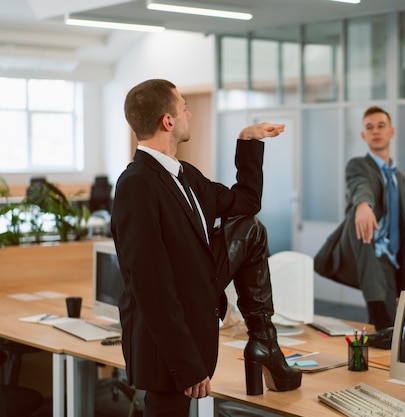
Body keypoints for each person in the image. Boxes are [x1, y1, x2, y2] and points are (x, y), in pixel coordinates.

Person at [110, 79, 301, 417]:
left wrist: (248, 140)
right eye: (184, 108)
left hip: (194, 319)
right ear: (168, 121)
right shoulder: (137, 185)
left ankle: (264, 341)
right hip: (166, 352)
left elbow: (246, 202)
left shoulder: (186, 176)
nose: (190, 114)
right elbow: (151, 287)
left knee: (251, 229)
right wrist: (186, 364)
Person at [314, 106, 405, 330]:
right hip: (362, 246)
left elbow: (399, 230)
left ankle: (378, 339)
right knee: (361, 224)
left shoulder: (399, 178)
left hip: (388, 258)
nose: (375, 131)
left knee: (389, 325)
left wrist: (404, 283)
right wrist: (363, 206)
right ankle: (378, 317)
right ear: (363, 135)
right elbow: (360, 185)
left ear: (391, 131)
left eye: (380, 126)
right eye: (369, 127)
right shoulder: (358, 165)